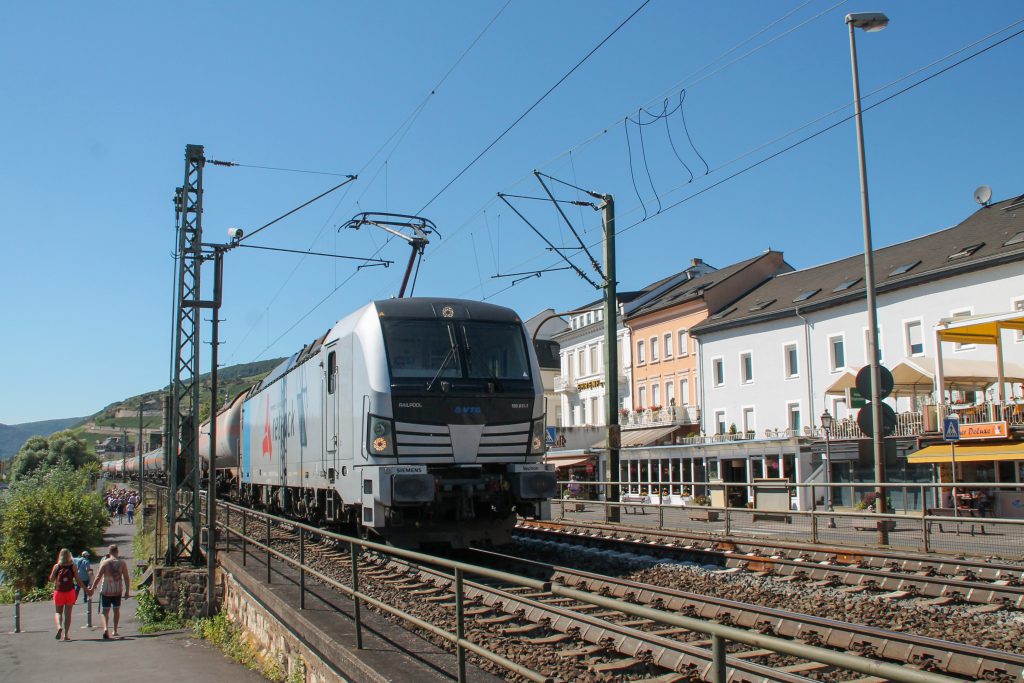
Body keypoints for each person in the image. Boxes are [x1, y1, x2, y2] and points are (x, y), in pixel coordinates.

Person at [90, 544, 131, 639]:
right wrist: (127, 591)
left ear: (109, 552)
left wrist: (92, 588)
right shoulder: (122, 563)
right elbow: (126, 578)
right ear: (117, 551)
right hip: (117, 590)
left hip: (106, 590)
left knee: (105, 611)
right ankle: (115, 630)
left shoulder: (105, 562)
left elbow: (98, 577)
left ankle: (105, 628)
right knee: (116, 610)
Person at [49, 548, 90, 641]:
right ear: (69, 556)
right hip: (70, 592)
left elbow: (51, 579)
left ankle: (59, 627)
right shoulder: (73, 566)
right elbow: (78, 581)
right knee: (68, 614)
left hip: (59, 592)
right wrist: (86, 589)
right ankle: (66, 635)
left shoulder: (57, 566)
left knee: (58, 612)